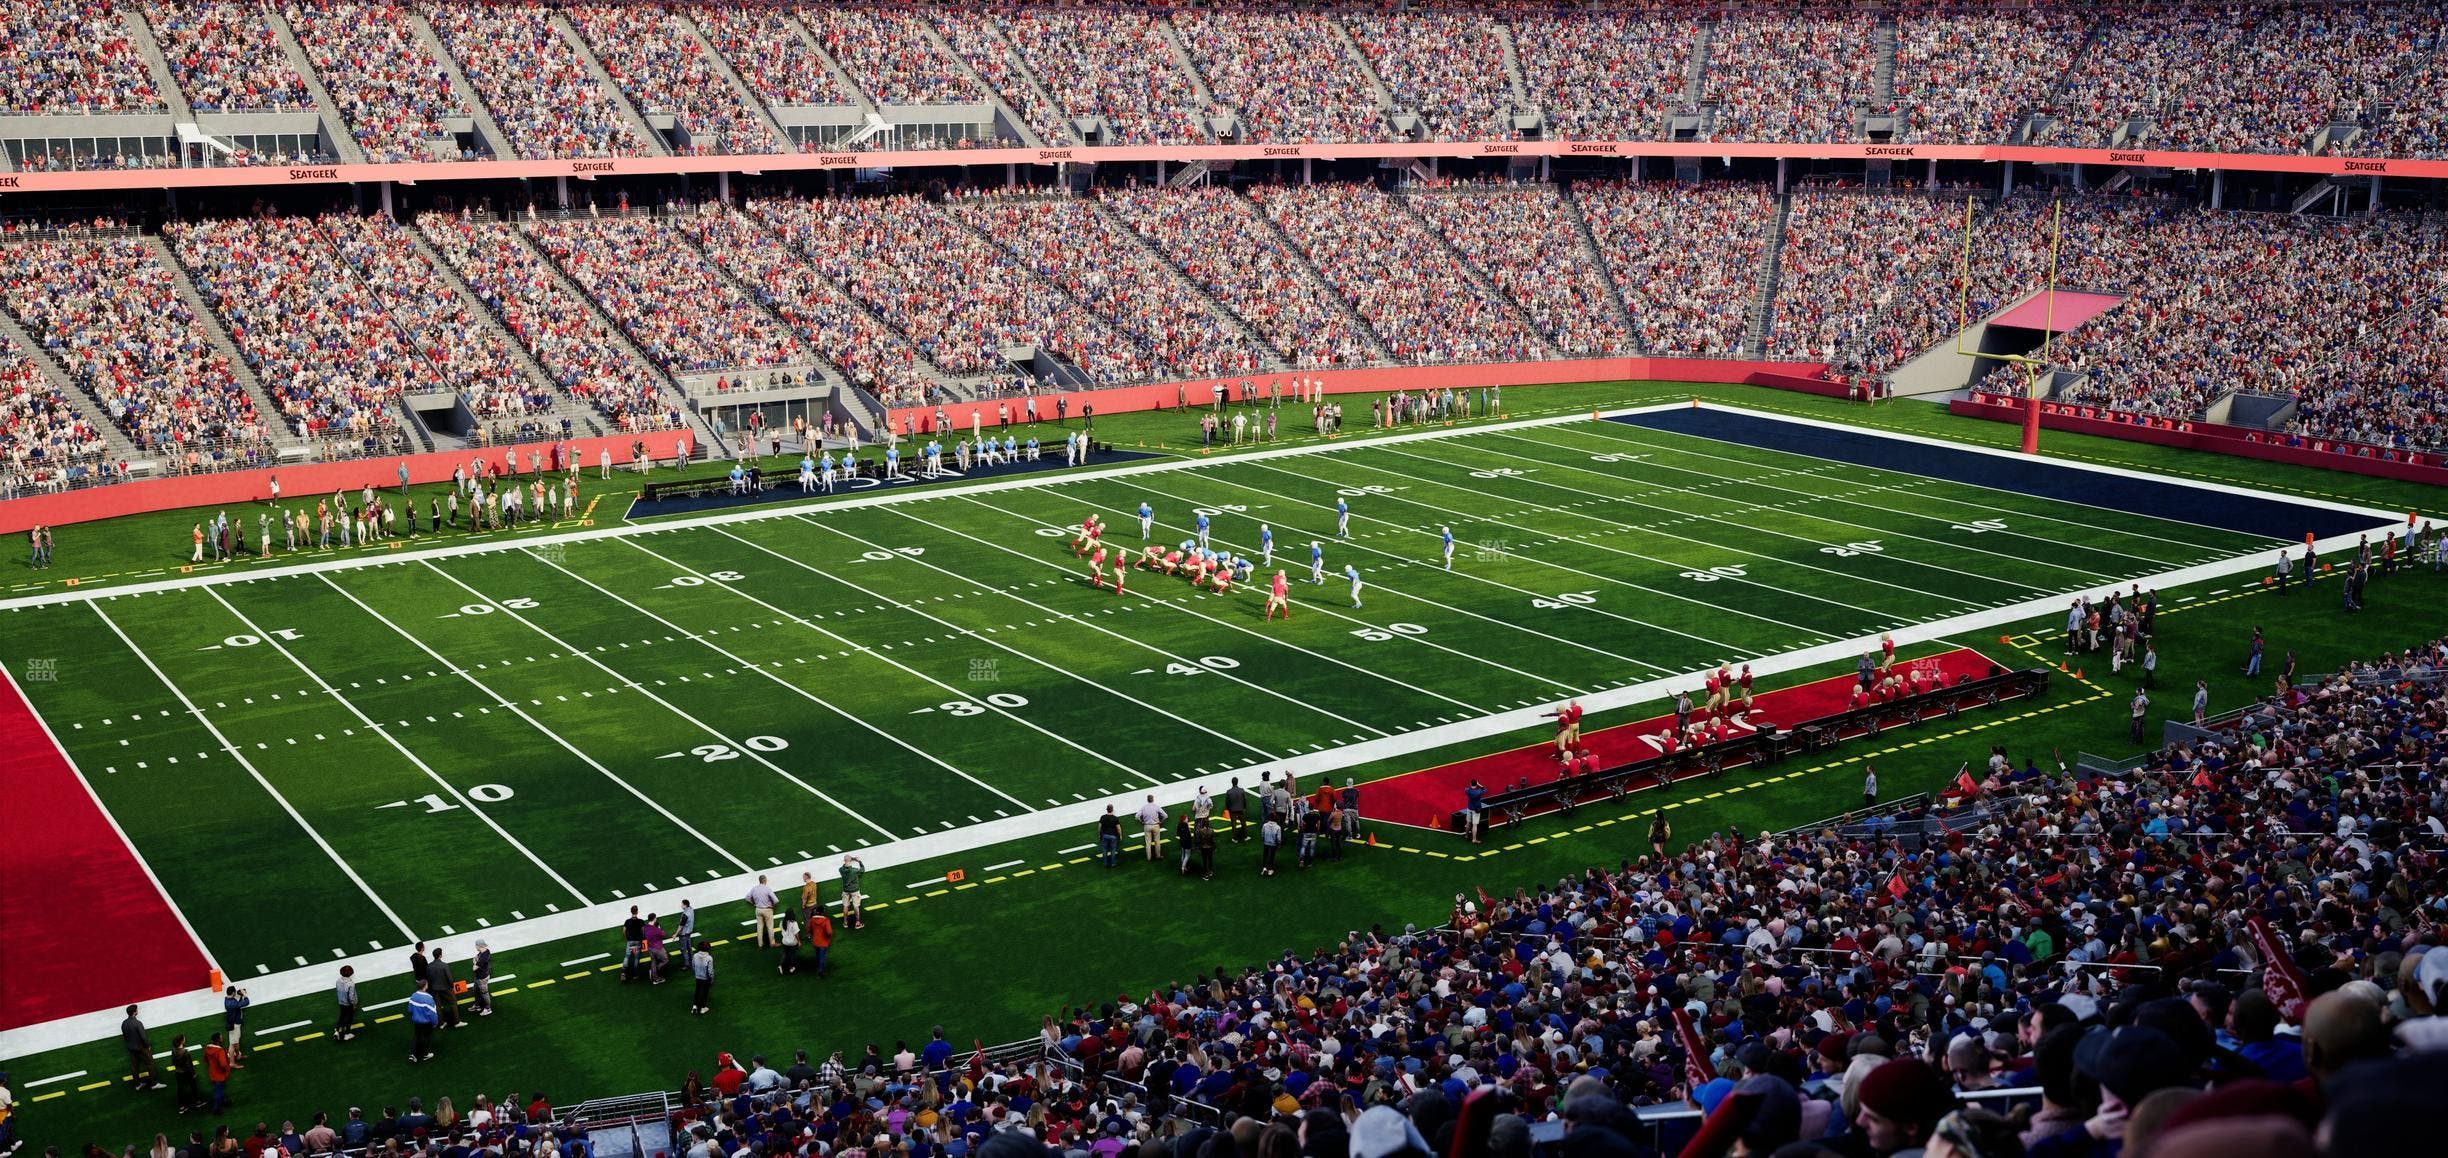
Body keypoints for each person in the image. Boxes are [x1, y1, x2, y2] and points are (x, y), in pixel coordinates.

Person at [122, 1006, 160, 1091]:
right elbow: (143, 1037)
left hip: (131, 1048)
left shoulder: (124, 1023)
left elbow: (126, 1036)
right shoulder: (138, 1023)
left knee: (134, 1067)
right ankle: (154, 1084)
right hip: (141, 1048)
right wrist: (148, 1045)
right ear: (134, 1012)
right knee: (150, 1064)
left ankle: (137, 1084)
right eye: (137, 1010)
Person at [404, 983, 438, 1063]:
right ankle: (426, 1054)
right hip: (426, 1023)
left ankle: (412, 1054)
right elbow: (432, 1013)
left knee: (416, 1036)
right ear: (425, 986)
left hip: (416, 1021)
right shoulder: (429, 998)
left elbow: (410, 1010)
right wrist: (435, 1022)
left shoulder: (413, 996)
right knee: (427, 1037)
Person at [202, 1034, 233, 1114]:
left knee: (219, 1089)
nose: (222, 1038)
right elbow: (223, 1064)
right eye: (221, 1038)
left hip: (212, 1072)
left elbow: (205, 1059)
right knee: (218, 1091)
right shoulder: (220, 1051)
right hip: (220, 1073)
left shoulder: (208, 1048)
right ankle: (216, 1108)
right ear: (218, 1040)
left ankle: (222, 1101)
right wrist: (227, 1070)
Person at [748, 875, 778, 949]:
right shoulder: (767, 889)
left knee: (759, 927)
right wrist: (772, 906)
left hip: (758, 909)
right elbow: (776, 900)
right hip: (767, 910)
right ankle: (772, 943)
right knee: (770, 927)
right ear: (765, 880)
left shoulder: (754, 888)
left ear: (759, 880)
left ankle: (760, 944)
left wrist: (753, 904)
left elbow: (747, 898)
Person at [838, 856, 865, 930]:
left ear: (844, 860)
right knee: (856, 906)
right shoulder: (854, 870)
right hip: (854, 890)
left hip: (846, 890)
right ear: (851, 861)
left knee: (845, 906)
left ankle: (845, 922)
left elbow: (844, 866)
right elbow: (862, 870)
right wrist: (859, 861)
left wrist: (850, 859)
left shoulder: (841, 870)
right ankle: (857, 923)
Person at [805, 908, 833, 978]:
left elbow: (808, 929)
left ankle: (820, 969)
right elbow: (829, 932)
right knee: (822, 957)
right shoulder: (826, 920)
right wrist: (828, 938)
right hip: (823, 942)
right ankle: (820, 972)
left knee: (818, 956)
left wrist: (812, 935)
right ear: (822, 913)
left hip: (815, 941)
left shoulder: (812, 920)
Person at [332, 968, 357, 1042]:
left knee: (342, 1016)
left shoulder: (338, 981)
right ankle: (347, 1035)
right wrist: (354, 1004)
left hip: (341, 1002)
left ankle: (337, 1031)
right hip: (348, 1004)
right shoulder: (351, 984)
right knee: (349, 1019)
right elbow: (351, 996)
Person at [689, 943, 715, 1015]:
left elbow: (693, 965)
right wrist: (712, 978)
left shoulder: (695, 955)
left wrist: (697, 972)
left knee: (697, 991)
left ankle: (694, 1007)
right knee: (705, 992)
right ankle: (703, 1008)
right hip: (706, 978)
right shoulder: (709, 958)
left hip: (698, 977)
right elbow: (710, 971)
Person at [1137, 795, 1164, 861]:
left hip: (1147, 826)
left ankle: (1149, 858)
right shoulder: (1156, 807)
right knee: (1157, 841)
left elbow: (1137, 816)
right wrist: (1161, 821)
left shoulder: (1144, 807)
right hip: (1156, 825)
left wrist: (1141, 821)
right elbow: (1165, 815)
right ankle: (1158, 856)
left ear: (1147, 800)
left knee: (1148, 843)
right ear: (1153, 799)